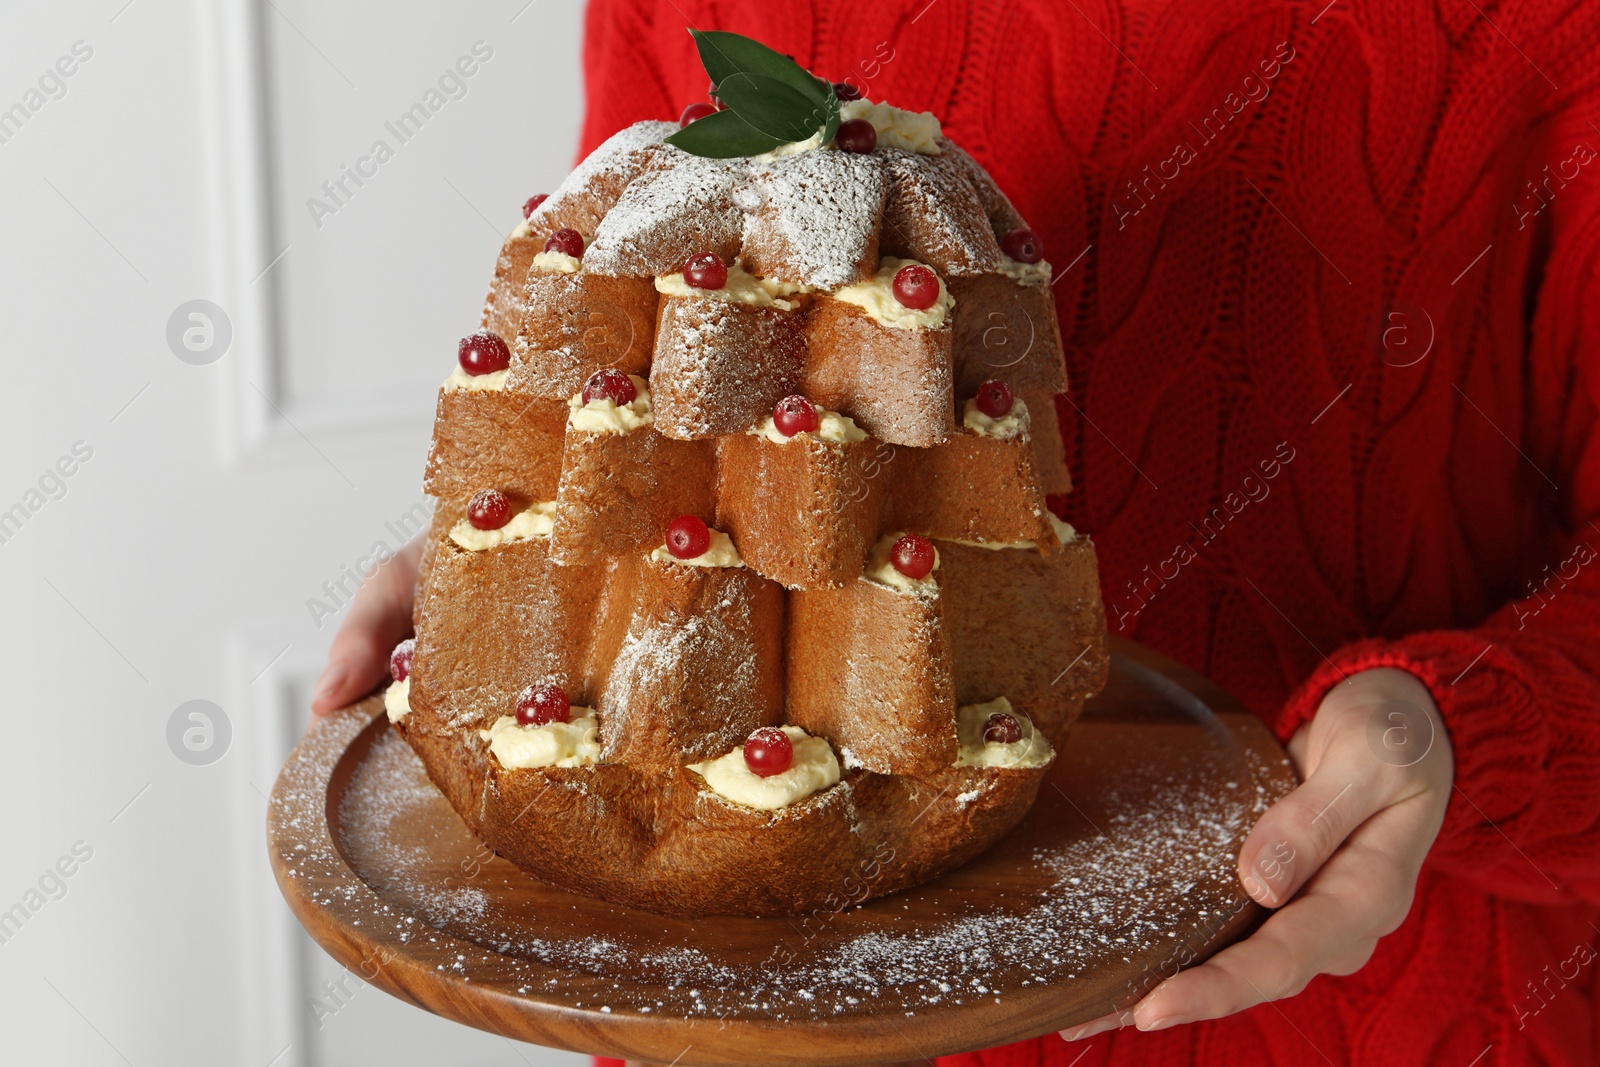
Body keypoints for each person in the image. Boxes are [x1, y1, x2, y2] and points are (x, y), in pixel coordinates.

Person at [313, 1, 1600, 1062]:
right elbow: (645, 357)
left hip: (1380, 1011)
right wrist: (543, 547)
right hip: (748, 1003)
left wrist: (1471, 730)